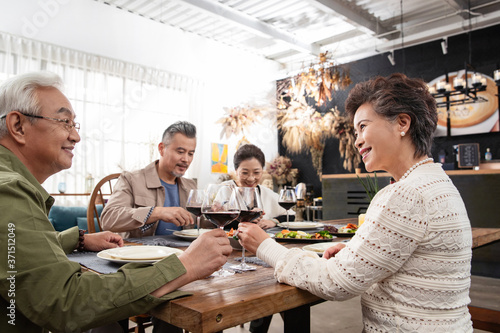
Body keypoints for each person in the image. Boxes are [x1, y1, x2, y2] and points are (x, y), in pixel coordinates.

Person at [238, 73, 473, 332]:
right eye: (354, 131)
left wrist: (265, 246)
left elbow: (335, 282)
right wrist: (357, 255)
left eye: (363, 127)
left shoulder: (406, 193)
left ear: (402, 123)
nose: (357, 140)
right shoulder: (436, 182)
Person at [0, 71, 231, 333]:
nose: (75, 137)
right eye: (64, 121)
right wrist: (186, 265)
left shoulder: (191, 186)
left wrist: (79, 239)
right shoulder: (10, 190)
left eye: (74, 125)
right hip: (147, 262)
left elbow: (17, 249)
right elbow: (68, 303)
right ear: (18, 126)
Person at [101, 121, 210, 238]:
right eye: (180, 152)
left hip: (183, 252)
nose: (186, 159)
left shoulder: (190, 186)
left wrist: (218, 213)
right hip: (141, 253)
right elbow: (108, 219)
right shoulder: (131, 179)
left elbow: (201, 223)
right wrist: (156, 212)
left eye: (190, 154)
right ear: (162, 148)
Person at [222, 144, 291, 230]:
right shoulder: (225, 189)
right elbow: (218, 222)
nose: (251, 179)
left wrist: (273, 221)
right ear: (236, 171)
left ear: (262, 171)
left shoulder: (266, 192)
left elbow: (290, 214)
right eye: (245, 173)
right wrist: (246, 220)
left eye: (256, 172)